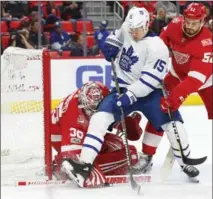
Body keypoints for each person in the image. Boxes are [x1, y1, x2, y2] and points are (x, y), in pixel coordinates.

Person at [62, 7, 203, 188]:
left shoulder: (157, 47)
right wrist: (109, 45)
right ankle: (84, 165)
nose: (132, 32)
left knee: (173, 124)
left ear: (146, 25)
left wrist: (131, 95)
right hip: (121, 89)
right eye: (130, 29)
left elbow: (149, 80)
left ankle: (185, 162)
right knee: (99, 119)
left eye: (136, 29)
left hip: (151, 93)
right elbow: (116, 36)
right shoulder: (128, 27)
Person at [137, 2, 212, 173]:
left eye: (195, 23)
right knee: (160, 112)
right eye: (188, 21)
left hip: (207, 82)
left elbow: (194, 81)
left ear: (203, 21)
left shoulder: (206, 43)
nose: (190, 26)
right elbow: (159, 45)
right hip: (176, 75)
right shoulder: (175, 24)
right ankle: (147, 156)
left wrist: (174, 98)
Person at [51, 81, 145, 187]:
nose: (91, 111)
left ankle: (64, 164)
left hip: (73, 133)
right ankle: (60, 168)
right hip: (64, 141)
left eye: (96, 108)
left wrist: (127, 123)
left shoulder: (89, 95)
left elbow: (131, 133)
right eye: (90, 108)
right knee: (131, 155)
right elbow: (72, 158)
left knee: (116, 143)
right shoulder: (73, 116)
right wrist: (89, 173)